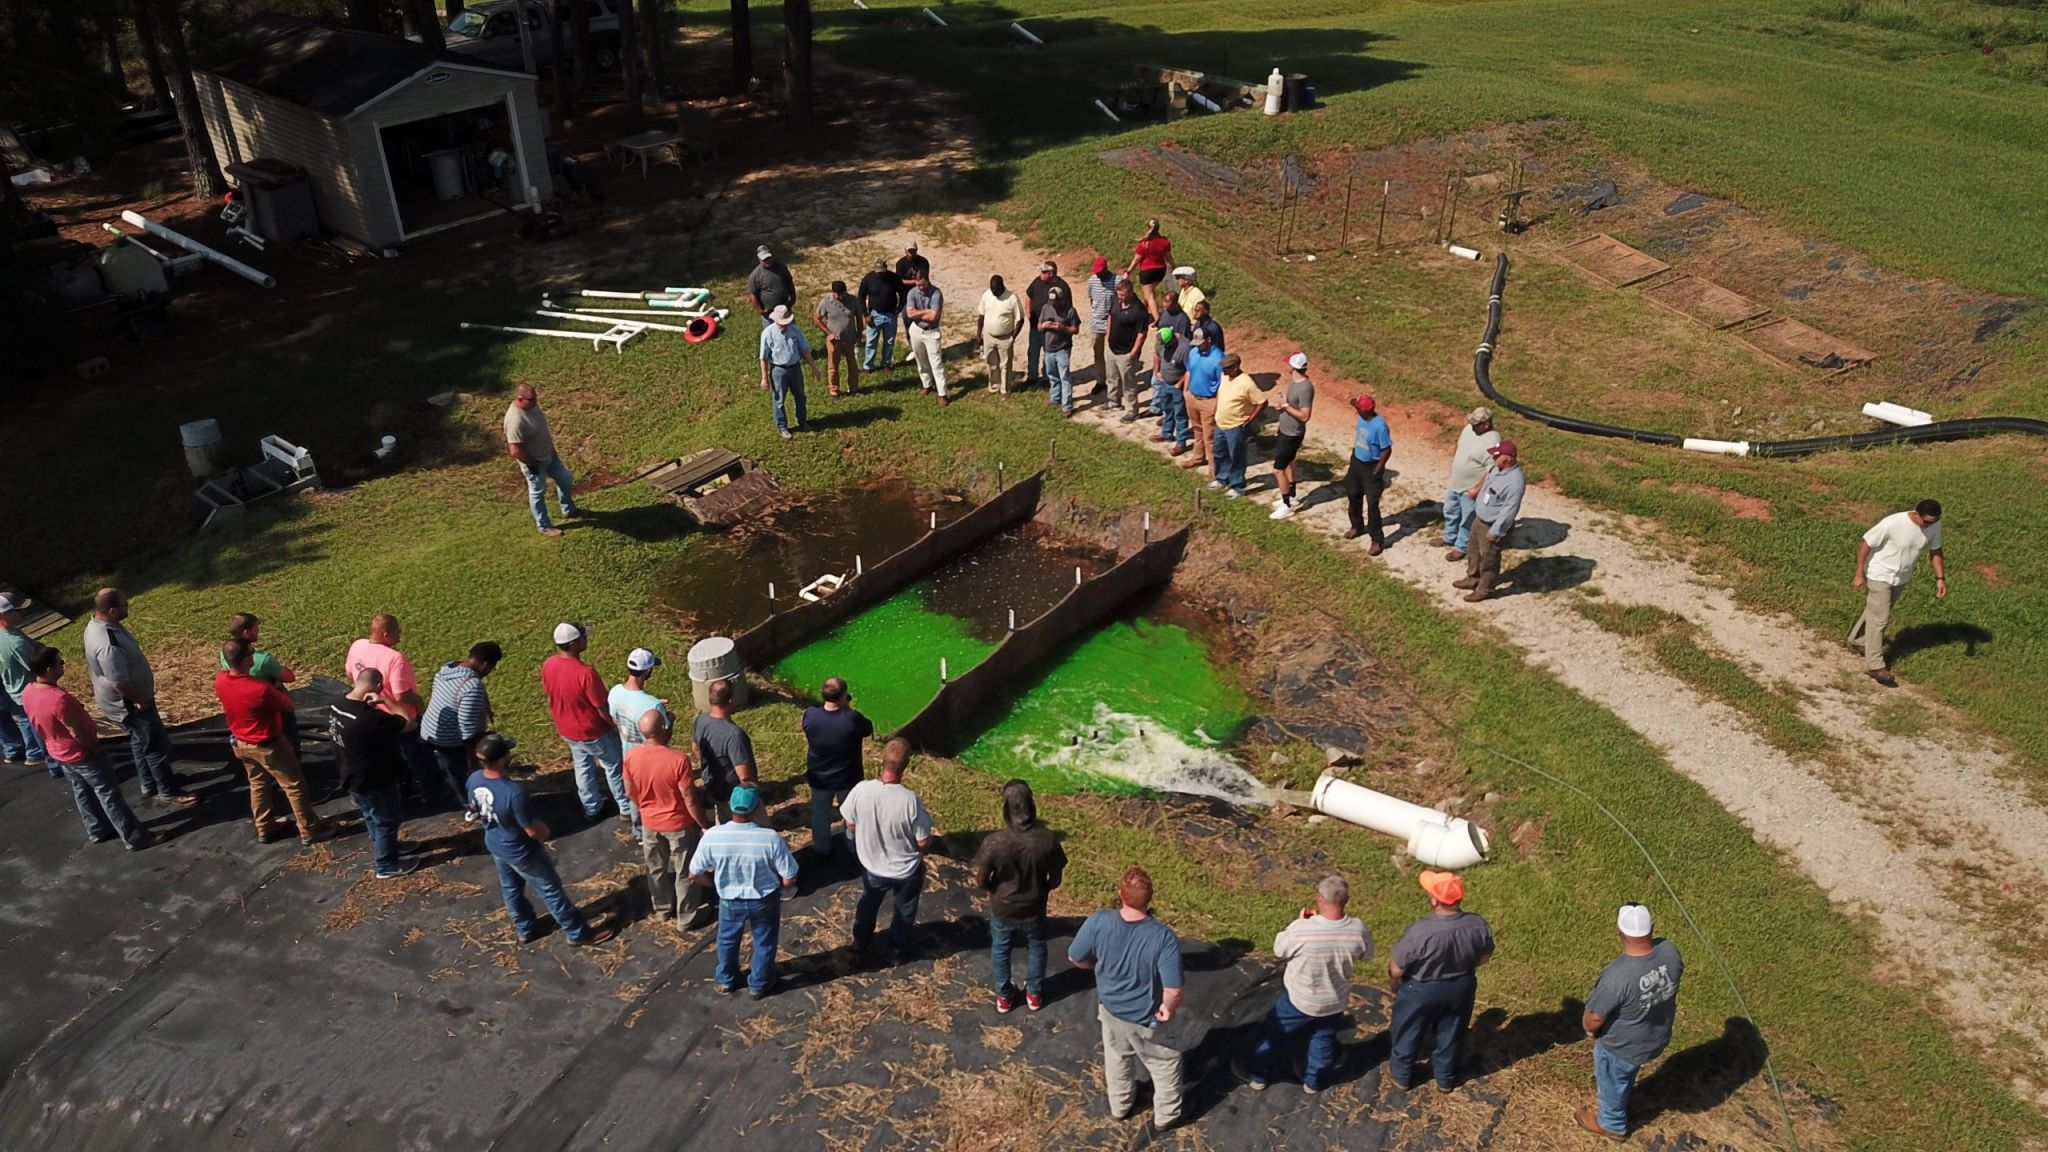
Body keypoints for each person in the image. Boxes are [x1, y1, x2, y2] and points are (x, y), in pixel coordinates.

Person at [469, 733, 617, 946]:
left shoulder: (474, 779)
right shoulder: (513, 793)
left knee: (510, 889)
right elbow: (533, 830)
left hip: (495, 843)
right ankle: (577, 933)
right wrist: (544, 833)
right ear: (502, 759)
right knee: (551, 891)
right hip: (522, 851)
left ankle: (525, 928)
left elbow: (474, 809)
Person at [1070, 866, 1186, 1129]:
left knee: (1118, 1059)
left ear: (1120, 894)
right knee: (1165, 1064)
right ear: (1150, 898)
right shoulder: (1162, 938)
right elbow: (1174, 989)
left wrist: (1095, 965)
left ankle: (1120, 1107)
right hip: (1147, 1019)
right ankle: (1167, 1117)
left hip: (1111, 1011)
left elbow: (1075, 957)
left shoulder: (1099, 921)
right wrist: (1168, 1007)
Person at [1247, 874, 1374, 1093]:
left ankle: (1258, 1075)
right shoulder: (1358, 929)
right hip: (1334, 1001)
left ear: (1320, 899)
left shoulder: (1303, 929)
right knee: (1323, 1040)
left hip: (1299, 1000)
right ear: (1346, 900)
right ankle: (1312, 1082)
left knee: (1273, 1033)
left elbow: (1280, 949)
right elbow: (1367, 955)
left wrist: (1298, 922)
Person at [23, 648, 155, 850]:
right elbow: (76, 731)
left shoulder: (29, 691)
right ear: (49, 669)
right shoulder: (58, 699)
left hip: (60, 753)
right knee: (109, 795)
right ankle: (135, 838)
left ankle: (97, 830)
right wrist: (94, 746)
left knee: (82, 791)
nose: (63, 664)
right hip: (81, 753)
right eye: (60, 662)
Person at [1578, 903, 1685, 1142]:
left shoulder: (1617, 976)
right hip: (1656, 1035)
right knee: (1627, 1072)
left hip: (1622, 1047)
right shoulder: (1670, 950)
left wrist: (1588, 1030)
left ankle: (1611, 1125)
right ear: (1652, 928)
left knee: (1613, 1080)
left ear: (1619, 932)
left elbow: (1594, 1016)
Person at [82, 588, 196, 806]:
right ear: (113, 610)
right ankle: (168, 790)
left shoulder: (100, 625)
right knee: (156, 747)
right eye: (125, 606)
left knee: (139, 741)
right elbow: (119, 681)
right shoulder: (108, 643)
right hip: (131, 705)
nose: (128, 608)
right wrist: (140, 700)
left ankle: (149, 783)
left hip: (125, 703)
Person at [217, 638, 334, 846]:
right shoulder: (259, 689)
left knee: (258, 784)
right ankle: (309, 829)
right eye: (251, 652)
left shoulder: (221, 680)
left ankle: (264, 826)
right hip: (269, 744)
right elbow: (288, 705)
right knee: (294, 785)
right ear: (246, 661)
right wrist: (277, 687)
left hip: (241, 744)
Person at [1387, 870, 1494, 1091]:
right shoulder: (1477, 924)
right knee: (1452, 1031)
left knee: (1409, 1029)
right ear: (1459, 898)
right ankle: (1445, 1079)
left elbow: (1397, 968)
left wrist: (1395, 984)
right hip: (1460, 987)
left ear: (1435, 899)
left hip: (1421, 990)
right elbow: (1484, 957)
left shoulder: (1422, 931)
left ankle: (1402, 1075)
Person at [688, 783, 799, 998]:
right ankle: (759, 983)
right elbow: (790, 877)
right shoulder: (770, 838)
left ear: (730, 805)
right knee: (764, 942)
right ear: (756, 807)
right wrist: (778, 886)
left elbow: (694, 873)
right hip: (763, 899)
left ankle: (726, 979)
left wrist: (714, 883)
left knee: (727, 940)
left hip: (730, 900)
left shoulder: (713, 836)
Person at [971, 778, 1067, 1013]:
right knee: (1037, 946)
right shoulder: (1048, 840)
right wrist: (1041, 889)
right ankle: (1034, 993)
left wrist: (995, 889)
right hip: (1034, 906)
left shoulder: (994, 842)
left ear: (1006, 810)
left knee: (1001, 949)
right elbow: (1055, 879)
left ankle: (1004, 996)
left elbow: (981, 880)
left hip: (1003, 907)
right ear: (1032, 807)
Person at [841, 736, 934, 963]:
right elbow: (922, 842)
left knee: (868, 902)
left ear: (881, 760)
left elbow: (850, 823)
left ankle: (860, 940)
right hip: (905, 871)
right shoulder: (910, 800)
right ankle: (896, 952)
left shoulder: (861, 789)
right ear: (907, 765)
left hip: (872, 866)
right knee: (904, 910)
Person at [623, 709, 709, 926]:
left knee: (655, 868)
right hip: (678, 824)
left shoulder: (631, 756)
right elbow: (689, 798)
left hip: (650, 823)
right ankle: (686, 916)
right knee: (685, 869)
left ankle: (662, 909)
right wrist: (702, 823)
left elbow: (628, 791)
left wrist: (645, 807)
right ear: (663, 728)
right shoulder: (678, 760)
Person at [330, 667, 418, 879]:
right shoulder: (371, 719)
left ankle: (385, 845)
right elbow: (409, 723)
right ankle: (386, 864)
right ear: (378, 686)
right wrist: (388, 702)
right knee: (387, 819)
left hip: (351, 775)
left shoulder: (337, 704)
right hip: (374, 779)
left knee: (372, 815)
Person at [542, 622, 632, 823]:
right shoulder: (586, 674)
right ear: (574, 644)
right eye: (583, 637)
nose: (586, 639)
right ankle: (625, 808)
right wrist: (615, 727)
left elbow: (550, 694)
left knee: (582, 767)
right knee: (614, 766)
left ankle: (591, 807)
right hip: (593, 731)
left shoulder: (549, 664)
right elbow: (602, 708)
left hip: (567, 729)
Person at [1850, 500, 1947, 688]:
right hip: (1880, 573)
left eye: (1933, 522)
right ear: (1917, 514)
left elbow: (1936, 550)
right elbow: (1865, 545)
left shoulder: (1934, 526)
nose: (1929, 526)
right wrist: (1859, 573)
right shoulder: (1892, 523)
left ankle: (1858, 640)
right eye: (1926, 522)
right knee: (1881, 618)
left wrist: (1940, 578)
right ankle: (1876, 666)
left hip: (1901, 578)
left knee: (1877, 610)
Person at [346, 613, 440, 804]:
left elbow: (350, 672)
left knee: (389, 756)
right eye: (398, 631)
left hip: (372, 716)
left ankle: (403, 787)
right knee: (418, 757)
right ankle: (433, 793)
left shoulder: (357, 645)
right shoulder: (395, 658)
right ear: (387, 634)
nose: (401, 635)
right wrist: (418, 701)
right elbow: (401, 695)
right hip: (398, 718)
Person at [421, 641, 501, 818]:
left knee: (446, 766)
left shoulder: (448, 668)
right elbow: (467, 730)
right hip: (449, 739)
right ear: (486, 664)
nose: (490, 672)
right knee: (461, 774)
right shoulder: (472, 687)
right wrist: (472, 761)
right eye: (492, 667)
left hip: (429, 730)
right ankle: (471, 806)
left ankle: (438, 789)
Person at [800, 676, 873, 863]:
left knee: (820, 813)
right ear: (843, 696)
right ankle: (853, 847)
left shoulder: (810, 715)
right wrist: (847, 707)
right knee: (851, 814)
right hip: (847, 778)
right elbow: (867, 729)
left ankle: (822, 848)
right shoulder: (851, 718)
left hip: (819, 776)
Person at [1454, 441, 1525, 603]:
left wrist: (1496, 531)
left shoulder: (1514, 483)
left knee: (1489, 560)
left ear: (1507, 459)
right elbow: (1486, 480)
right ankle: (1472, 578)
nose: (1493, 456)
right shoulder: (1496, 469)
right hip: (1479, 520)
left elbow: (1509, 510)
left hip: (1492, 526)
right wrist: (1476, 491)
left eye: (1497, 455)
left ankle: (1485, 589)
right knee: (1473, 551)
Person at [506, 383, 578, 538]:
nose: (535, 402)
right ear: (520, 399)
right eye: (531, 399)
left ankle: (569, 509)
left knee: (565, 478)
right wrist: (532, 465)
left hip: (550, 456)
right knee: (538, 492)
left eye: (535, 398)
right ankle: (544, 526)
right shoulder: (515, 420)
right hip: (535, 463)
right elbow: (515, 450)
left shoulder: (531, 406)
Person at [223, 612, 298, 752]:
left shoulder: (227, 652)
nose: (258, 631)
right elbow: (289, 677)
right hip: (272, 705)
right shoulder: (262, 660)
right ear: (246, 632)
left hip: (245, 710)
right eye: (256, 628)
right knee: (289, 737)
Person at [692, 678, 757, 822]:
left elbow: (695, 748)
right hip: (732, 796)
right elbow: (745, 776)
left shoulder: (700, 720)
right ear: (731, 700)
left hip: (711, 785)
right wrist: (752, 795)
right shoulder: (734, 735)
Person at [1440, 408, 1500, 561]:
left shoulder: (1493, 442)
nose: (1472, 426)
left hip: (1471, 489)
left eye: (1476, 424)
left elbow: (1491, 472)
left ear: (1486, 424)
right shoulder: (1469, 429)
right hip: (1456, 482)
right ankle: (1449, 536)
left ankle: (1461, 547)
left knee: (1467, 520)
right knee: (1450, 511)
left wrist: (1477, 490)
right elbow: (1460, 447)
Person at [0, 592, 49, 773]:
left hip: (8, 683)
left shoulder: (11, 635)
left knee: (8, 716)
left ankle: (14, 749)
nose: (22, 613)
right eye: (18, 610)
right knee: (25, 717)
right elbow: (35, 663)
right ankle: (35, 752)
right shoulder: (14, 642)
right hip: (19, 687)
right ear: (5, 614)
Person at [1343, 394, 1394, 556]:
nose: (1355, 409)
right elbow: (1352, 401)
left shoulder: (1380, 426)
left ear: (1364, 411)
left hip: (1372, 466)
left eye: (1357, 408)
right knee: (1353, 493)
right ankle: (1357, 525)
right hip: (1357, 461)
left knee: (1372, 505)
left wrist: (1379, 468)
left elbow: (1387, 449)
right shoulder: (1363, 418)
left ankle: (1376, 540)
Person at [759, 304, 816, 441]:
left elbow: (805, 349)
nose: (784, 326)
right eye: (782, 324)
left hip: (795, 368)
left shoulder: (795, 330)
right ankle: (782, 427)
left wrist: (813, 366)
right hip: (778, 370)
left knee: (800, 396)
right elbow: (763, 357)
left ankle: (802, 421)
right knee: (779, 400)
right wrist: (764, 378)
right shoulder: (767, 334)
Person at [1211, 353, 1264, 499]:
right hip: (1221, 424)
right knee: (1219, 452)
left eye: (1227, 368)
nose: (1223, 371)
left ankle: (1237, 486)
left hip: (1236, 426)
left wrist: (1251, 418)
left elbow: (1262, 401)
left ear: (1235, 367)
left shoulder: (1247, 383)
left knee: (1236, 456)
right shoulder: (1225, 377)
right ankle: (1222, 479)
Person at [1269, 353, 1315, 520]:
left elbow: (1304, 416)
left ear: (1293, 367)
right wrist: (1282, 405)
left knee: (1278, 470)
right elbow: (1290, 405)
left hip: (1292, 434)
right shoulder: (1295, 383)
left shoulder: (1305, 388)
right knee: (1289, 462)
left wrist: (1286, 406)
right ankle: (1292, 494)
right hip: (1285, 429)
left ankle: (1286, 504)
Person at [1104, 277, 1153, 422]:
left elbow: (1142, 334)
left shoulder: (1139, 311)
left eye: (1123, 295)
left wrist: (1133, 353)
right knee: (1112, 377)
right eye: (1119, 295)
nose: (1120, 298)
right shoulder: (1115, 300)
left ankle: (1132, 410)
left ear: (1131, 293)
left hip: (1127, 353)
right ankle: (1113, 402)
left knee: (1129, 383)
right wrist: (1108, 335)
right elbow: (1110, 317)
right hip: (1112, 349)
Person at [813, 279, 868, 398]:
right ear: (834, 293)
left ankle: (853, 389)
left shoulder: (853, 300)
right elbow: (817, 319)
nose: (842, 296)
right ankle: (834, 391)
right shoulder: (826, 302)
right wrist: (829, 333)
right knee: (833, 367)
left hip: (850, 340)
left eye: (844, 293)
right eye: (839, 294)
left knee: (853, 366)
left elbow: (859, 317)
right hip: (834, 342)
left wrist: (859, 335)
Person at [975, 274, 1027, 396]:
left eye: (996, 289)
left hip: (1005, 338)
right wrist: (979, 333)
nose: (993, 291)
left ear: (1002, 286)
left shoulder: (1012, 298)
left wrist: (1013, 337)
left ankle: (1005, 390)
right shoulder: (987, 295)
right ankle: (993, 387)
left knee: (1005, 365)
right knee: (991, 363)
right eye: (992, 288)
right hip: (988, 336)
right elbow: (981, 315)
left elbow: (1020, 319)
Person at [609, 647, 669, 752]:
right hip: (647, 757)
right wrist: (670, 717)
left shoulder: (615, 691)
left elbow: (614, 722)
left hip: (624, 756)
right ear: (648, 670)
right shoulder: (654, 706)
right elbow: (662, 739)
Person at [904, 269, 949, 407]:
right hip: (916, 329)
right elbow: (910, 314)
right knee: (920, 358)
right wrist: (925, 311)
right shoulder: (912, 293)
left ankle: (943, 394)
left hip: (931, 332)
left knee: (936, 363)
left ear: (927, 280)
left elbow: (933, 316)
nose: (920, 288)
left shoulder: (936, 293)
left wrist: (920, 313)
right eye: (918, 285)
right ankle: (927, 385)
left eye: (922, 284)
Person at [1183, 327, 1224, 477]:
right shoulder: (1193, 353)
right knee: (1197, 429)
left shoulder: (1219, 358)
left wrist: (1217, 405)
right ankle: (1198, 457)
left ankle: (1214, 469)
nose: (1197, 346)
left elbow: (1222, 383)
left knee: (1210, 436)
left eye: (1200, 343)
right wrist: (1186, 390)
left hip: (1209, 401)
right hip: (1192, 397)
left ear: (1209, 340)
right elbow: (1189, 370)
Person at [1036, 284, 1082, 417]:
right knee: (1052, 375)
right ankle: (1055, 398)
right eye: (1051, 302)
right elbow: (1039, 326)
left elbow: (1076, 329)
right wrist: (1044, 325)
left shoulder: (1070, 311)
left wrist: (1063, 328)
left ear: (1062, 299)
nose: (1053, 305)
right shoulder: (1046, 307)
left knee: (1065, 377)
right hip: (1049, 348)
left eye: (1055, 302)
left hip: (1063, 349)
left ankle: (1067, 406)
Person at [1024, 261, 1071, 384]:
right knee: (1033, 352)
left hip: (1050, 330)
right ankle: (1032, 377)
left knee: (1048, 354)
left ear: (1051, 273)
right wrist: (1029, 314)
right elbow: (1028, 296)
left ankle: (1047, 378)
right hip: (1035, 325)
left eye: (1044, 272)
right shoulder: (1037, 282)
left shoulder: (1062, 288)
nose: (1041, 274)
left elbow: (1067, 310)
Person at [858, 258, 905, 371]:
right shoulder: (868, 279)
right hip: (874, 314)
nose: (879, 274)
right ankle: (868, 366)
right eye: (878, 271)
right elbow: (861, 296)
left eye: (881, 271)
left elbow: (903, 293)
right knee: (871, 341)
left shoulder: (894, 278)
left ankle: (886, 364)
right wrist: (866, 314)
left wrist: (898, 310)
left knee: (889, 341)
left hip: (890, 315)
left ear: (886, 269)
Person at [1150, 329, 1191, 456]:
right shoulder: (1161, 343)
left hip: (1177, 386)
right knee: (1167, 409)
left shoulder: (1185, 348)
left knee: (1180, 414)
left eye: (1166, 345)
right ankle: (1166, 433)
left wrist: (1181, 384)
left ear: (1173, 338)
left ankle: (1181, 442)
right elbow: (1157, 354)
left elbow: (1190, 369)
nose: (1164, 347)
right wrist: (1157, 371)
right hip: (1164, 383)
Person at [1126, 218, 1172, 314]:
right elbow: (1169, 258)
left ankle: (1157, 320)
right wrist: (1175, 268)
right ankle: (1142, 313)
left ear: (1148, 227)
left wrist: (1128, 272)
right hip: (1160, 271)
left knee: (1150, 296)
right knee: (1148, 293)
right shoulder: (1165, 241)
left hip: (1147, 272)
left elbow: (1136, 260)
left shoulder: (1144, 243)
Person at [1085, 256, 1117, 389]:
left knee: (1112, 356)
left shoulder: (1117, 281)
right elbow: (1092, 299)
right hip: (1096, 323)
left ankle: (1113, 382)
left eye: (1099, 271)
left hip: (1112, 324)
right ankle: (1100, 381)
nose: (1097, 274)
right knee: (1097, 353)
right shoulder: (1092, 281)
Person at [747, 245, 796, 325]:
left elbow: (789, 282)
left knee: (792, 332)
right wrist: (761, 311)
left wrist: (793, 299)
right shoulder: (755, 275)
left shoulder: (781, 267)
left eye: (769, 258)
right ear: (759, 259)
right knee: (771, 334)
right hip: (769, 315)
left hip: (785, 310)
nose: (768, 261)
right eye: (764, 259)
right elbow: (753, 295)